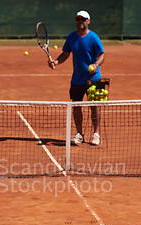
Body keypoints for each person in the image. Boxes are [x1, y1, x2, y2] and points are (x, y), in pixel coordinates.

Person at [48, 10, 105, 145]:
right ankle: (79, 134)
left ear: (88, 21)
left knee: (94, 106)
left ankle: (96, 134)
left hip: (94, 78)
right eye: (78, 19)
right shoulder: (71, 37)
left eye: (83, 19)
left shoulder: (94, 37)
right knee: (76, 106)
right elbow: (65, 54)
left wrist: (96, 64)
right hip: (77, 79)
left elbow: (102, 55)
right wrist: (55, 62)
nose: (80, 22)